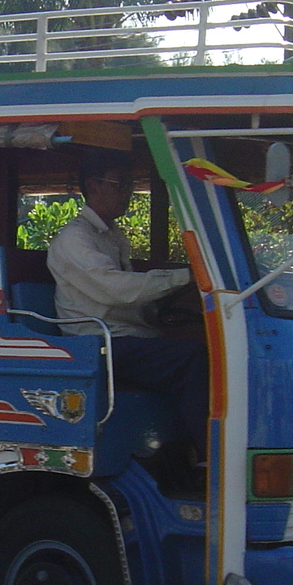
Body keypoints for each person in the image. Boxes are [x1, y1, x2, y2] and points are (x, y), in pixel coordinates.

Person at [46, 149, 210, 451]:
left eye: (129, 186)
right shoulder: (74, 239)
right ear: (93, 186)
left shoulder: (112, 236)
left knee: (205, 347)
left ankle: (179, 449)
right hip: (99, 344)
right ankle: (211, 456)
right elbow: (117, 289)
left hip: (124, 338)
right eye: (120, 185)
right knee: (192, 360)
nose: (127, 194)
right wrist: (187, 276)